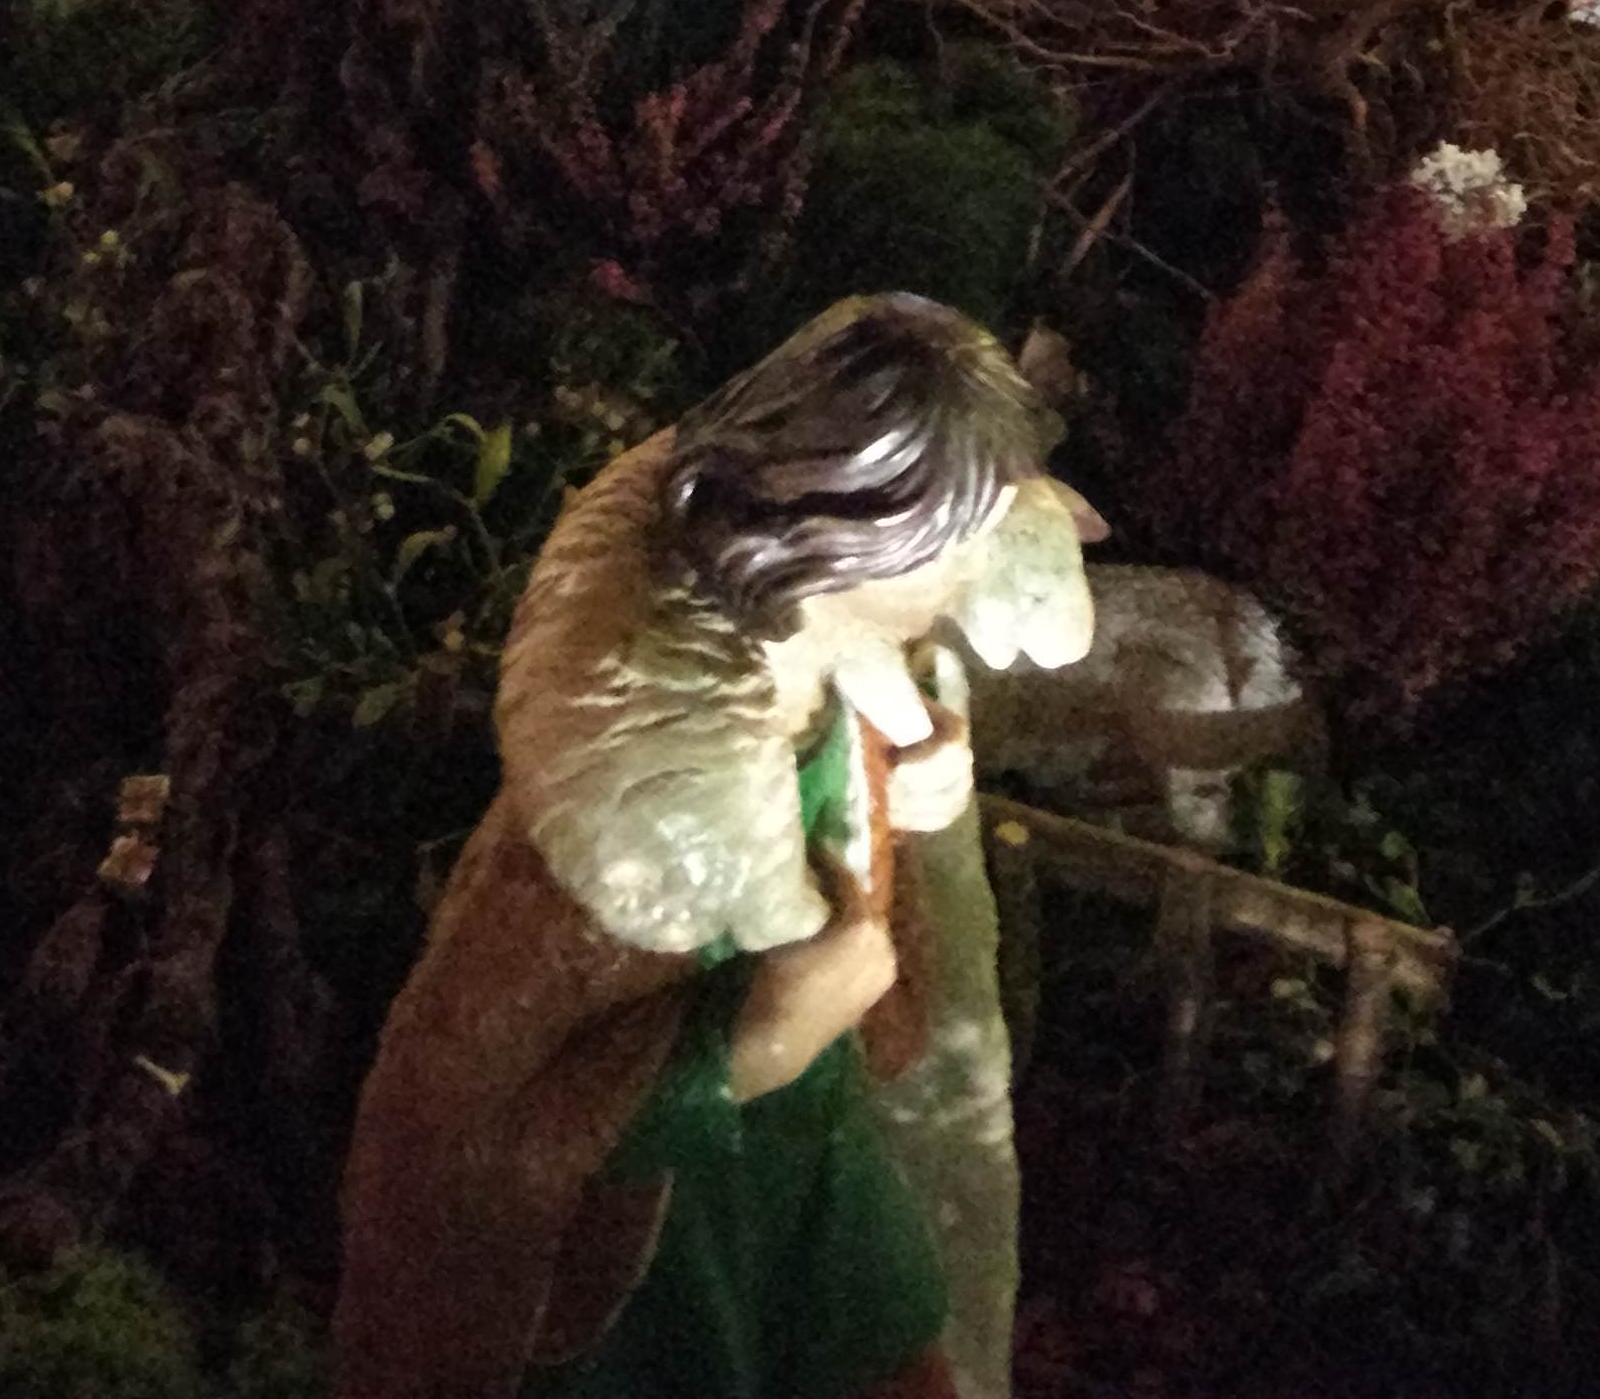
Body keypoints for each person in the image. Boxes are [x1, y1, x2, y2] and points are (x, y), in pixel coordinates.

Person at [332, 297, 1098, 1399]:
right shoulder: (631, 805)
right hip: (661, 1248)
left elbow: (849, 800)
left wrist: (907, 785)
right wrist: (759, 1040)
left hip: (813, 1168)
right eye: (957, 541)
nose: (977, 567)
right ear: (853, 536)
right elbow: (472, 1136)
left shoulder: (838, 656)